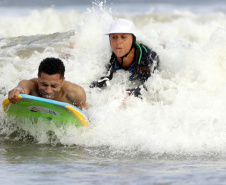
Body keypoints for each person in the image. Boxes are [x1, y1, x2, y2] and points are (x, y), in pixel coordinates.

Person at [90, 18, 160, 98]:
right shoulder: (109, 56)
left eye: (123, 37)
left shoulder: (148, 57)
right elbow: (105, 79)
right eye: (114, 37)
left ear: (133, 40)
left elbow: (150, 88)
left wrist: (129, 93)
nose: (118, 42)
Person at [8, 57, 88, 110]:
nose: (48, 91)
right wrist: (18, 90)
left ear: (62, 81)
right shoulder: (31, 85)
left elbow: (84, 118)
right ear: (38, 78)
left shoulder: (76, 93)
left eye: (54, 86)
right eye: (44, 84)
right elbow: (23, 86)